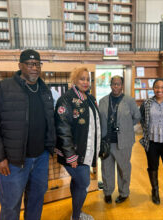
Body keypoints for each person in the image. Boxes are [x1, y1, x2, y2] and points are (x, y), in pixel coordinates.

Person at [0, 49, 56, 220]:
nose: (34, 68)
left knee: (36, 202)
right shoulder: (3, 88)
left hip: (41, 159)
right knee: (10, 206)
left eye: (37, 64)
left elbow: (49, 122)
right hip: (13, 162)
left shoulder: (44, 90)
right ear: (20, 65)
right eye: (30, 64)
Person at [55, 67, 101, 220]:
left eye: (88, 79)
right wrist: (70, 155)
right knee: (84, 183)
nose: (86, 82)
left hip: (87, 151)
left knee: (77, 183)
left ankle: (77, 213)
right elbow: (62, 128)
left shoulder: (89, 98)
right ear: (74, 80)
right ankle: (76, 217)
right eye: (82, 79)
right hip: (74, 154)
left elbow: (94, 125)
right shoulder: (66, 99)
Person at [99, 75, 141, 204]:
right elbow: (100, 120)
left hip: (123, 141)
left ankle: (124, 193)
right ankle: (107, 192)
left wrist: (125, 126)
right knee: (106, 169)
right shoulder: (103, 101)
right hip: (106, 141)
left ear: (122, 85)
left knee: (124, 168)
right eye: (113, 84)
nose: (115, 86)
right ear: (110, 85)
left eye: (118, 84)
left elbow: (137, 117)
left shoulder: (129, 101)